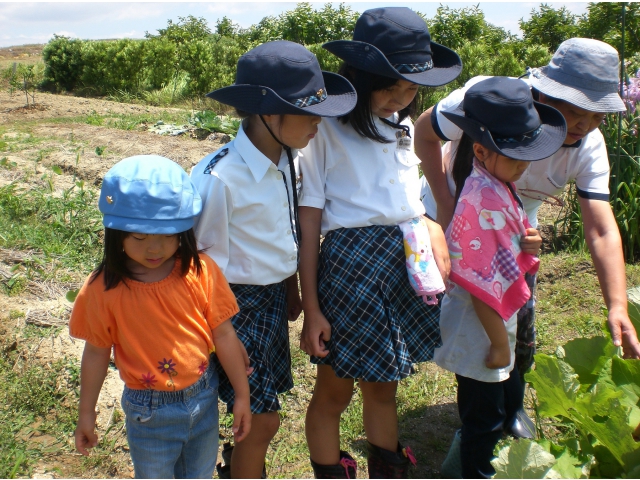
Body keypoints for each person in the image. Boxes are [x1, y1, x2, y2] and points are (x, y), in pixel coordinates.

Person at [415, 37, 640, 384]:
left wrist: (617, 305)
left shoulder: (589, 147)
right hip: (451, 212)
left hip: (514, 231)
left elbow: (600, 229)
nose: (584, 125)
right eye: (576, 111)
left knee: (520, 314)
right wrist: (446, 207)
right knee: (469, 318)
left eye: (597, 116)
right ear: (543, 95)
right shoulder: (487, 100)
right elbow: (423, 133)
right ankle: (479, 409)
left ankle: (513, 402)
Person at [297, 7, 461, 478]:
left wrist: (429, 224)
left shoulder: (404, 128)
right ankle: (329, 470)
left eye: (411, 89)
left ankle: (387, 469)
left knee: (384, 384)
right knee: (334, 389)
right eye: (391, 87)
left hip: (400, 264)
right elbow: (310, 223)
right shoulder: (326, 128)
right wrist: (313, 306)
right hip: (350, 270)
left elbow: (408, 202)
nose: (401, 98)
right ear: (362, 76)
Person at [190, 40, 357, 479]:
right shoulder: (221, 179)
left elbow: (282, 228)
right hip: (231, 310)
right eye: (308, 112)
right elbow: (200, 264)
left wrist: (289, 287)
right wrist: (221, 331)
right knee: (262, 419)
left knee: (260, 416)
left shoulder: (287, 158)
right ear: (268, 112)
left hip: (269, 305)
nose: (319, 124)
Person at [70, 155, 251, 479]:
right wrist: (87, 412)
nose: (155, 248)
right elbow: (97, 352)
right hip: (148, 412)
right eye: (139, 237)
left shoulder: (200, 271)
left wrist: (242, 395)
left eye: (168, 235)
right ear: (116, 233)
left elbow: (224, 335)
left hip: (204, 397)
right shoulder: (103, 288)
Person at [431, 77, 566, 478]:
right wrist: (498, 344)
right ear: (480, 151)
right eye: (515, 157)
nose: (524, 167)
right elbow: (480, 285)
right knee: (483, 418)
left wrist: (528, 241)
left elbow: (504, 247)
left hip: (489, 323)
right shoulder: (482, 201)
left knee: (484, 410)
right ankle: (472, 471)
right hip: (481, 327)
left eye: (527, 157)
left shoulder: (495, 185)